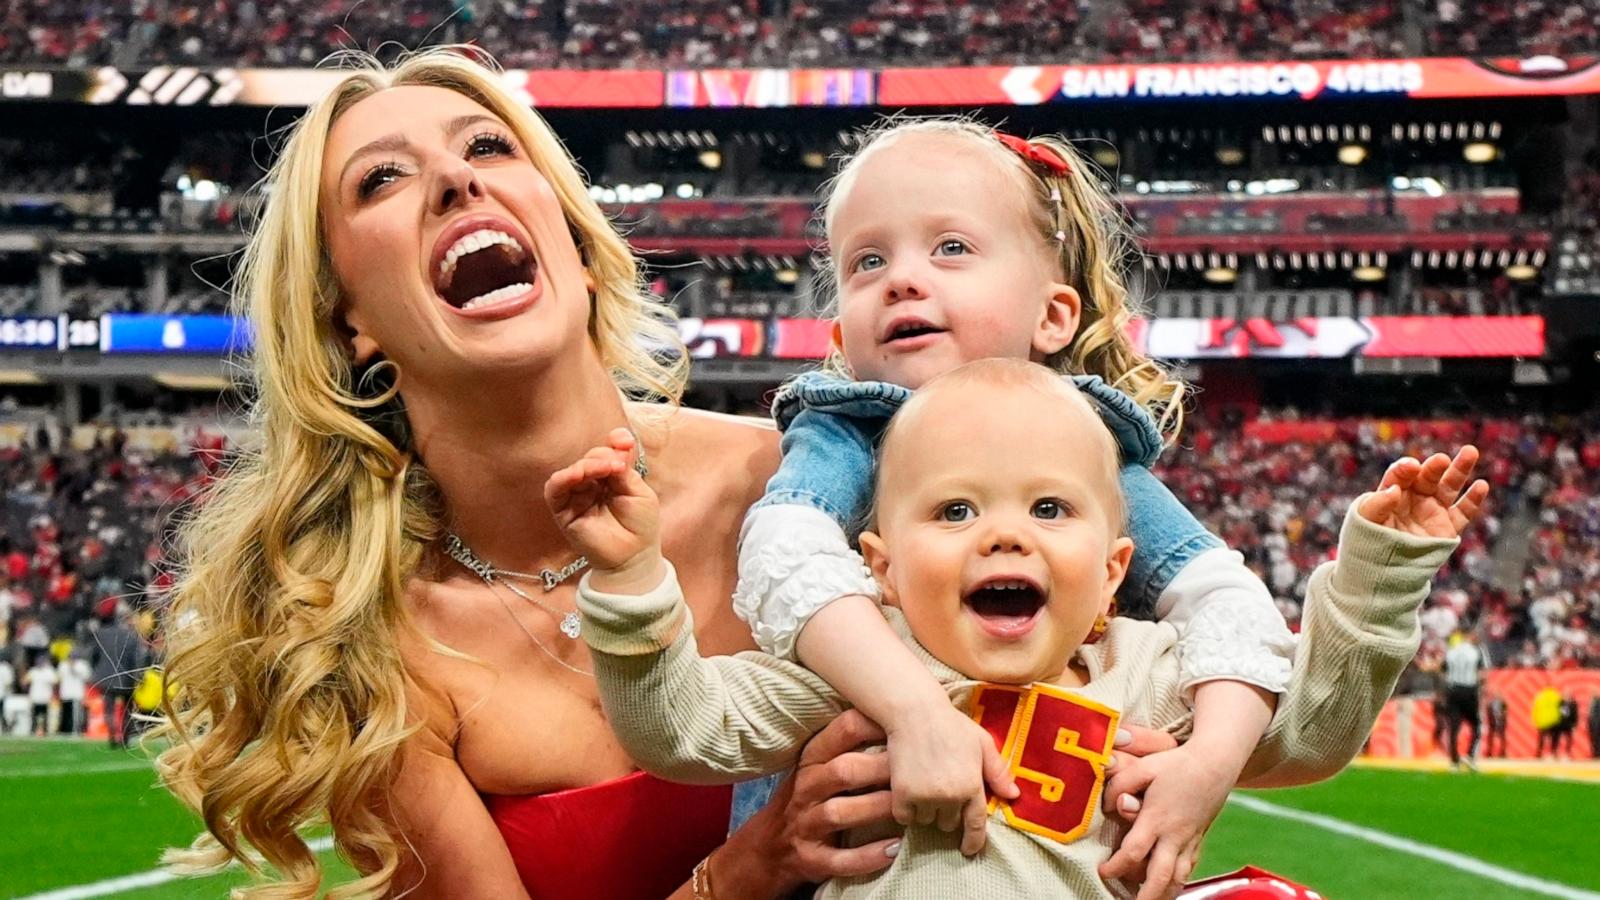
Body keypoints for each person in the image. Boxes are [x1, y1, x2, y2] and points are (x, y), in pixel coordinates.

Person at [152, 47, 906, 900]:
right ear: (346, 320)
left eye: (485, 147)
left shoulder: (803, 485)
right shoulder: (363, 647)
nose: (453, 180)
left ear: (577, 248)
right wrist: (743, 874)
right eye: (381, 180)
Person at [727, 118, 1407, 890]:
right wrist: (917, 711)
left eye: (950, 248)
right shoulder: (847, 429)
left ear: (1053, 316)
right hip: (845, 847)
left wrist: (1208, 766)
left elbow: (1222, 601)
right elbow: (785, 554)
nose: (902, 279)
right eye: (868, 260)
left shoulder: (1086, 448)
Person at [552, 360, 1483, 899]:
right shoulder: (857, 665)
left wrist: (1377, 578)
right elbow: (682, 732)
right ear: (880, 565)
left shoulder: (1152, 672)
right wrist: (631, 575)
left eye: (1048, 507)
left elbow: (1311, 732)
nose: (1003, 532)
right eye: (953, 512)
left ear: (1116, 568)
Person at [91, 602, 146, 749]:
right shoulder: (131, 636)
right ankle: (125, 739)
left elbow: (94, 655)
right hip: (126, 678)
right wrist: (139, 677)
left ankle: (112, 736)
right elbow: (137, 659)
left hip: (106, 677)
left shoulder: (102, 634)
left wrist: (96, 671)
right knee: (127, 711)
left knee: (108, 708)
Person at [1441, 627, 1488, 769]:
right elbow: (1481, 674)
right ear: (1471, 635)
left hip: (1453, 690)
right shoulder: (1476, 651)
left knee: (1454, 727)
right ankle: (1470, 756)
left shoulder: (1451, 651)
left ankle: (1454, 762)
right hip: (1469, 690)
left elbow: (1443, 671)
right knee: (1476, 725)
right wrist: (1482, 691)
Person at [56, 651, 89, 735]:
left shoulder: (82, 665)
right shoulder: (63, 665)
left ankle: (76, 730)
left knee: (76, 714)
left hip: (77, 694)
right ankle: (64, 730)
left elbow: (86, 677)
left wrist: (73, 667)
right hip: (65, 693)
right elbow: (59, 677)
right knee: (65, 713)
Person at [25, 652, 57, 736]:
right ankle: (33, 730)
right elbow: (26, 681)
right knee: (34, 716)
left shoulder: (49, 671)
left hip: (45, 698)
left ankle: (45, 731)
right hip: (35, 697)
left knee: (45, 716)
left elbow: (55, 681)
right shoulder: (33, 671)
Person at [1484, 689, 1509, 759]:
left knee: (1502, 739)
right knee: (1490, 739)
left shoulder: (1503, 703)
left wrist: (1502, 718)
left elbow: (1505, 713)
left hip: (1501, 724)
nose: (1497, 695)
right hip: (1492, 724)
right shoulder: (1490, 704)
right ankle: (1489, 752)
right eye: (1496, 694)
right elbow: (1488, 713)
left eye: (1499, 694)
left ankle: (1503, 753)